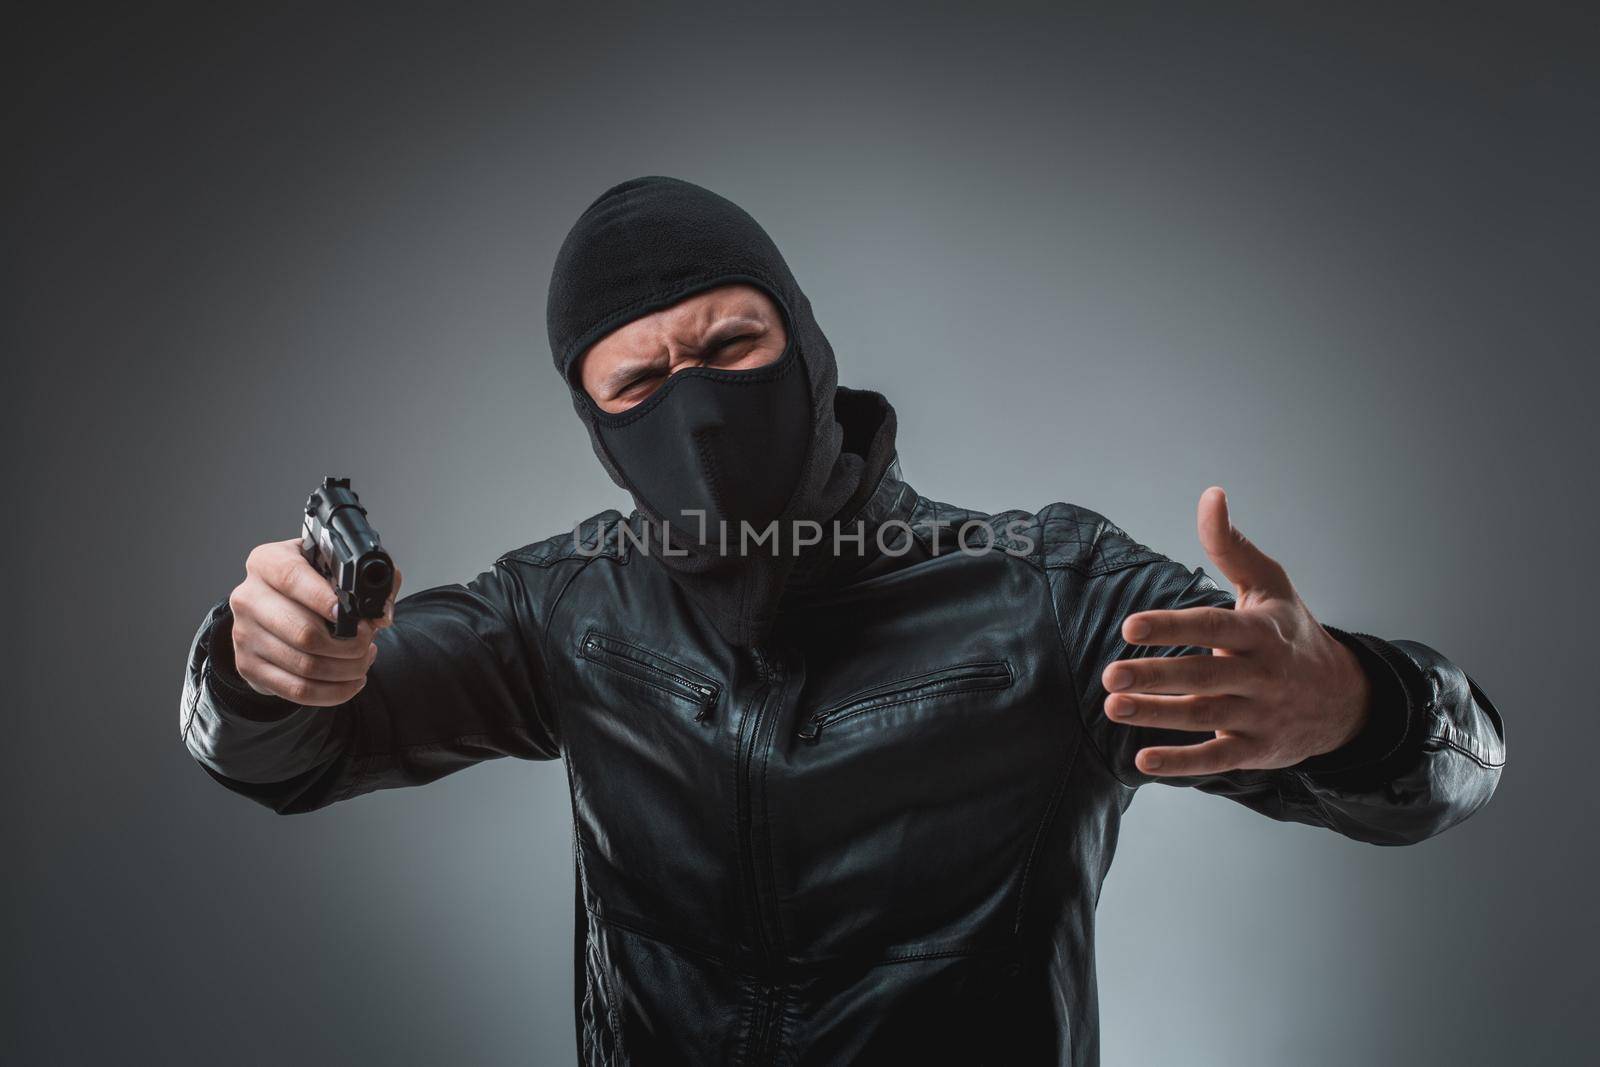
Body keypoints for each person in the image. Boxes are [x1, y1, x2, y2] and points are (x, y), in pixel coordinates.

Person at [179, 176, 1506, 1066]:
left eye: (731, 348)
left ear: (808, 348)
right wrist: (262, 667)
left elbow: (1449, 770)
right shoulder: (564, 613)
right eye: (637, 382)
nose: (692, 410)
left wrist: (1356, 701)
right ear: (597, 432)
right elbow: (286, 754)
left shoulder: (1041, 593)